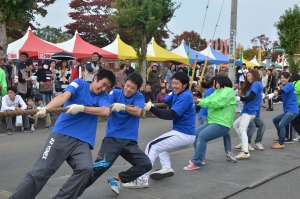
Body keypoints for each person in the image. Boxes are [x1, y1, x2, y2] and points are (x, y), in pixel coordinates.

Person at [9, 69, 116, 199]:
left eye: (108, 87)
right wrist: (46, 108)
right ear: (95, 78)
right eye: (103, 84)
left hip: (82, 141)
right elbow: (63, 97)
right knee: (41, 172)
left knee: (85, 169)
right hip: (62, 134)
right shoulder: (79, 84)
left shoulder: (103, 96)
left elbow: (105, 111)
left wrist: (82, 108)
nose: (104, 88)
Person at [122, 72, 196, 188]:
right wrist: (148, 103)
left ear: (185, 85)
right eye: (173, 83)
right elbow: (164, 102)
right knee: (161, 146)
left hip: (184, 134)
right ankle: (166, 167)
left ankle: (142, 178)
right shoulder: (176, 93)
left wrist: (151, 108)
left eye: (177, 83)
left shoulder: (186, 96)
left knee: (152, 146)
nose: (174, 86)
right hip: (183, 133)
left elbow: (170, 114)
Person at [83, 73, 152, 196]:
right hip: (112, 139)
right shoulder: (114, 93)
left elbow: (137, 111)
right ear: (124, 83)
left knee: (145, 164)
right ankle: (71, 192)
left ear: (137, 89)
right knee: (98, 168)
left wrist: (123, 107)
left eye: (132, 88)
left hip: (130, 142)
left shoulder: (139, 96)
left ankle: (117, 179)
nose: (128, 89)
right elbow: (105, 108)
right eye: (127, 86)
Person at [184, 76, 237, 170]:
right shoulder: (217, 92)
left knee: (202, 136)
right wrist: (199, 101)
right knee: (195, 134)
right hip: (214, 121)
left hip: (222, 123)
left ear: (222, 82)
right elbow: (209, 100)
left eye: (216, 83)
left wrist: (200, 101)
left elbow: (216, 103)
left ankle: (197, 162)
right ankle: (201, 157)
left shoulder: (228, 91)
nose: (215, 85)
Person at [233, 70, 262, 160]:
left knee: (242, 129)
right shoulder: (257, 84)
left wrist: (239, 98)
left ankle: (245, 151)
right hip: (250, 111)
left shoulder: (256, 84)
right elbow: (251, 98)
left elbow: (251, 97)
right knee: (236, 124)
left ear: (255, 75)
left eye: (250, 75)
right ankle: (244, 142)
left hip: (249, 111)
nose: (248, 78)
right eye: (247, 76)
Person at [268, 72, 299, 149]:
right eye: (281, 78)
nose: (282, 80)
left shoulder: (289, 85)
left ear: (288, 78)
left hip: (292, 111)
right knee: (275, 120)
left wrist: (273, 94)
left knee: (282, 124)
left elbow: (280, 92)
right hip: (288, 110)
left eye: (284, 78)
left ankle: (281, 142)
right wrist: (273, 96)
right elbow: (281, 94)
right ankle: (280, 136)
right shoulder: (287, 86)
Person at [290, 73, 300, 141]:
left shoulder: (298, 82)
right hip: (296, 104)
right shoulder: (294, 83)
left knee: (295, 121)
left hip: (298, 104)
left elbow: (297, 90)